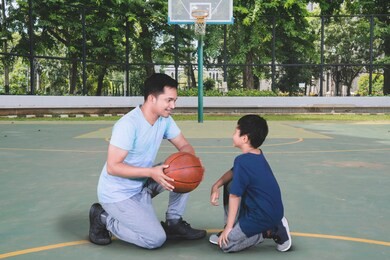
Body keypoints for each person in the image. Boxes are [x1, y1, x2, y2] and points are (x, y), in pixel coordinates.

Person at [89, 73, 206, 249]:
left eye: (174, 100)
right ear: (152, 98)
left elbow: (185, 146)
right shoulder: (128, 125)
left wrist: (192, 162)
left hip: (142, 183)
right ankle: (103, 218)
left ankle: (174, 222)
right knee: (155, 239)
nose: (173, 106)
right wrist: (151, 172)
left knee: (185, 172)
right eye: (168, 100)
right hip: (118, 195)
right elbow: (113, 167)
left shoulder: (164, 120)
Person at [209, 114, 292, 253]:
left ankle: (271, 230)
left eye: (235, 131)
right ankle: (235, 228)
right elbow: (233, 173)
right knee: (229, 183)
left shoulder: (242, 160)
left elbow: (235, 196)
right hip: (267, 209)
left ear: (245, 138)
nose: (232, 134)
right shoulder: (256, 154)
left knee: (225, 245)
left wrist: (229, 228)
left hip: (262, 215)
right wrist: (215, 186)